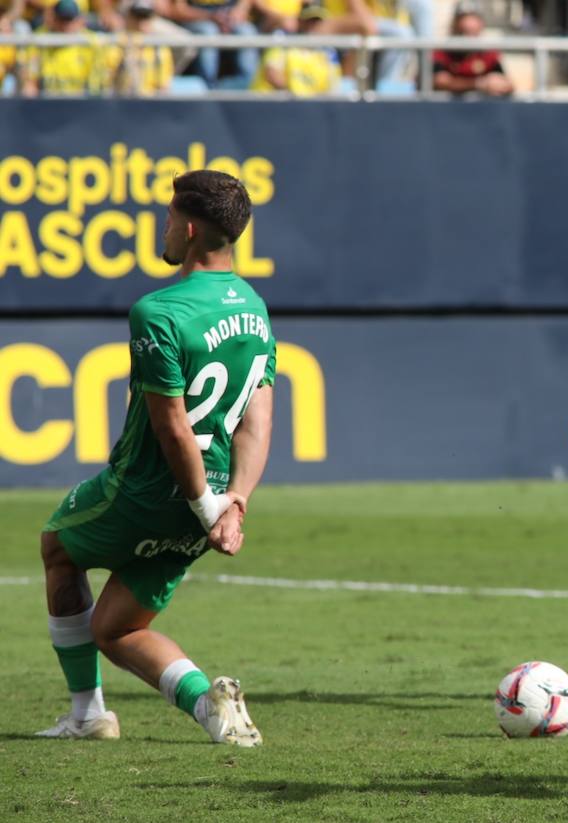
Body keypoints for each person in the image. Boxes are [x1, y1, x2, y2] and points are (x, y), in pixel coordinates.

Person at [35, 170, 274, 746]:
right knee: (116, 628)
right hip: (212, 500)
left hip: (151, 490)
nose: (163, 228)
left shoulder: (158, 311)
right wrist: (234, 502)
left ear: (189, 229)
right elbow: (257, 420)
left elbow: (171, 429)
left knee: (57, 548)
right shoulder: (255, 307)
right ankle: (211, 709)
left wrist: (202, 503)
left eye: (168, 219)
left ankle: (87, 715)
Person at [250, 2, 340, 95]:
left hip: (306, 106)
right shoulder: (283, 42)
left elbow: (331, 86)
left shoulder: (328, 53)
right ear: (300, 22)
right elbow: (272, 74)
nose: (312, 26)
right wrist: (297, 99)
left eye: (317, 21)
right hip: (270, 105)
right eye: (309, 21)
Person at [432, 7, 514, 96]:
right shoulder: (443, 52)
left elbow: (508, 85)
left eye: (473, 33)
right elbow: (439, 82)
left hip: (481, 108)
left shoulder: (488, 54)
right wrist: (478, 84)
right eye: (464, 32)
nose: (469, 39)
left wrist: (498, 84)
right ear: (455, 27)